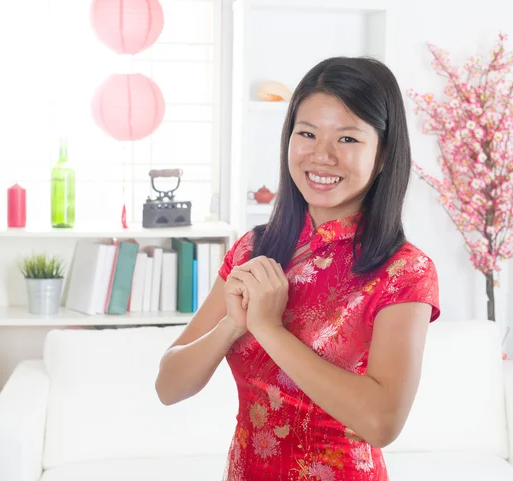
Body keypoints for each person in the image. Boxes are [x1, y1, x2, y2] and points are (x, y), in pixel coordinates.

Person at [155, 56, 441, 481]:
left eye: (347, 139)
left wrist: (269, 328)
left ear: (383, 155)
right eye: (306, 133)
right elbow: (169, 386)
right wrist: (233, 325)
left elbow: (382, 423)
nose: (321, 156)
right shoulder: (253, 250)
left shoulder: (404, 271)